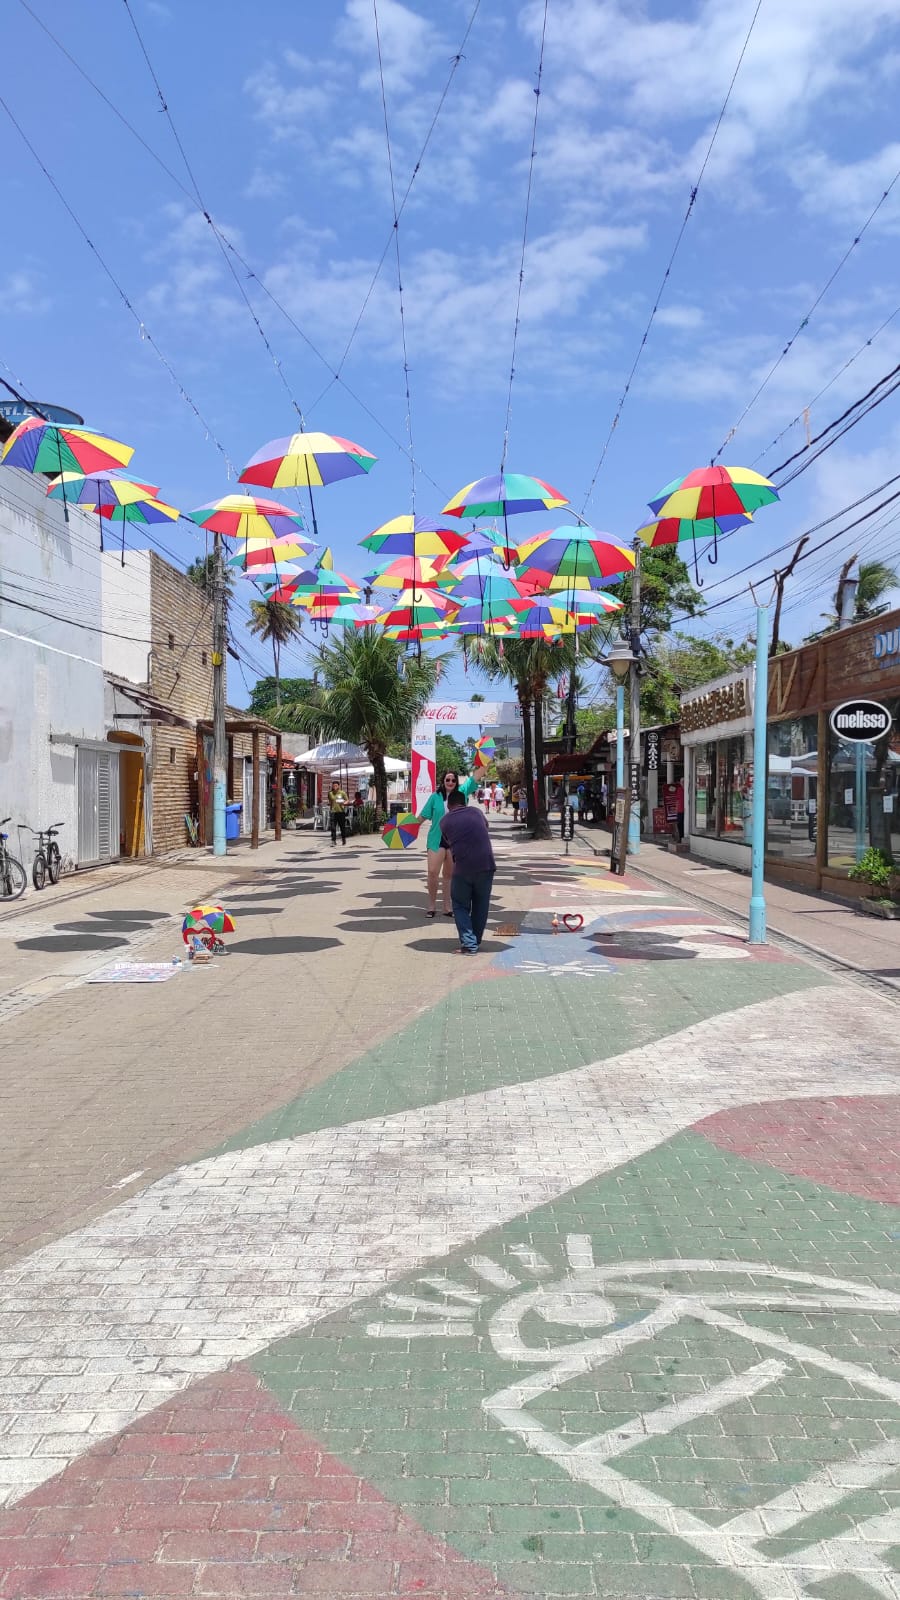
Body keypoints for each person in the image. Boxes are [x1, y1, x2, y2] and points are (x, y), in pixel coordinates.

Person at [440, 787, 496, 954]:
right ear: (464, 803)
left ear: (449, 805)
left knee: (459, 905)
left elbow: (448, 842)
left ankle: (469, 944)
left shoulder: (445, 821)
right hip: (486, 865)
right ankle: (475, 941)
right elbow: (486, 827)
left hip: (463, 868)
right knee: (481, 905)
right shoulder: (477, 812)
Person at [414, 770, 463, 917]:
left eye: (453, 780)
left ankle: (447, 907)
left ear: (456, 782)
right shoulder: (435, 797)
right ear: (443, 781)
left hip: (454, 840)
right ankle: (431, 906)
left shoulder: (460, 796)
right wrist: (409, 826)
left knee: (449, 875)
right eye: (447, 780)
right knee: (432, 872)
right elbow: (423, 816)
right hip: (437, 839)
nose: (450, 783)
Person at [328, 781, 348, 845]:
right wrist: (330, 807)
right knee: (333, 827)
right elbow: (330, 802)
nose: (335, 787)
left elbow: (347, 800)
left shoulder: (342, 793)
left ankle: (343, 839)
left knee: (342, 827)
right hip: (333, 812)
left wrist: (344, 803)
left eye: (336, 785)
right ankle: (333, 840)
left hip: (341, 812)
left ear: (339, 786)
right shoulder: (330, 793)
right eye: (333, 786)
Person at [674, 777, 685, 844]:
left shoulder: (687, 789)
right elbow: (677, 800)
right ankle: (681, 837)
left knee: (684, 824)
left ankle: (683, 836)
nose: (683, 783)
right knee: (679, 824)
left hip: (686, 810)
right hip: (680, 810)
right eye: (682, 782)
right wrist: (676, 809)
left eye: (684, 781)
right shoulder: (679, 789)